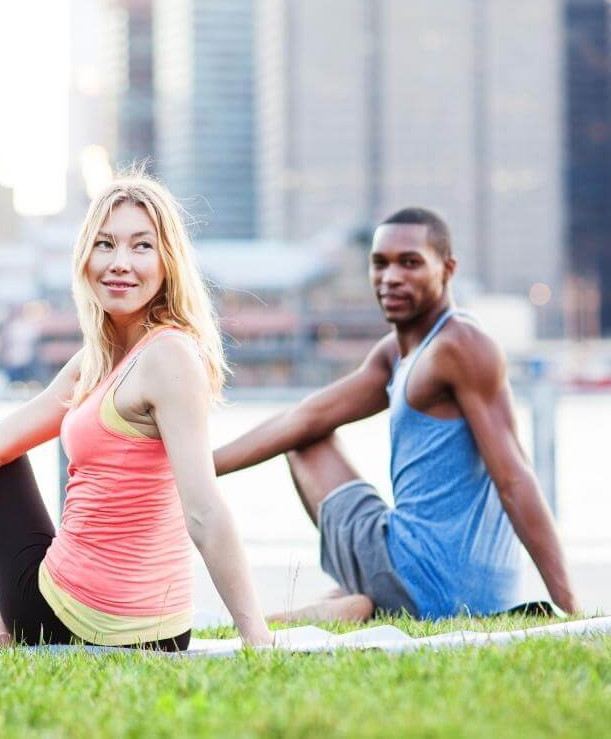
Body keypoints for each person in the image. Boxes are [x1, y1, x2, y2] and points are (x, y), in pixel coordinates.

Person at [0, 174, 273, 650]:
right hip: (162, 633)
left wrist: (256, 637)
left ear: (169, 262)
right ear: (84, 258)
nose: (120, 263)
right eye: (105, 244)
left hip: (72, 617)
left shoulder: (166, 356)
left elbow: (205, 510)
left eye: (142, 246)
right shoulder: (102, 359)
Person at [214, 207, 579, 622]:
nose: (391, 277)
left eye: (410, 263)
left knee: (307, 443)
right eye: (380, 264)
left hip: (423, 583)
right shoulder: (396, 354)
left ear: (448, 268)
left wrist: (569, 607)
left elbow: (514, 479)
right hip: (481, 596)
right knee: (308, 426)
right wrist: (193, 470)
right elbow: (307, 412)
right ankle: (356, 599)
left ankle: (357, 599)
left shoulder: (460, 345)